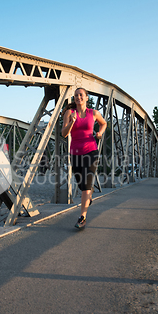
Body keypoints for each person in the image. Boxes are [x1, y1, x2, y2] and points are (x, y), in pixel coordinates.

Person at [62, 88, 107, 228]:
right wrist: (71, 122)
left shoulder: (93, 113)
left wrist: (99, 132)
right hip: (75, 153)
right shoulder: (70, 113)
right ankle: (89, 194)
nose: (78, 97)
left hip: (91, 151)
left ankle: (82, 217)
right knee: (81, 184)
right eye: (76, 95)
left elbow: (104, 123)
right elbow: (64, 133)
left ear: (86, 98)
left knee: (85, 187)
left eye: (81, 95)